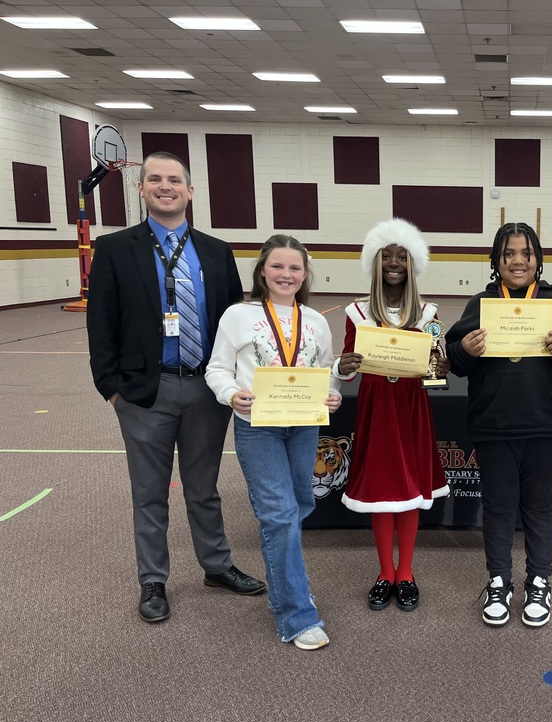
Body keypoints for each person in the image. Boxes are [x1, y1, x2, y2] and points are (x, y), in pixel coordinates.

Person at [87, 151, 266, 624]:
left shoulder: (215, 251)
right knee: (149, 492)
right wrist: (112, 390)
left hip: (206, 390)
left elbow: (234, 324)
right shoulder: (114, 249)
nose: (165, 186)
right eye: (155, 180)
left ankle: (217, 566)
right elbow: (100, 325)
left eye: (174, 180)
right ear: (142, 190)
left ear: (190, 191)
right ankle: (153, 580)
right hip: (145, 393)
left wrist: (232, 384)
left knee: (204, 489)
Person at [205, 235, 342, 650]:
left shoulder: (315, 321)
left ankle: (289, 583)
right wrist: (231, 394)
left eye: (294, 268)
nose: (286, 275)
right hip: (257, 425)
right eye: (278, 266)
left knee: (300, 504)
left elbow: (324, 373)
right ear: (262, 270)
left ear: (305, 274)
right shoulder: (238, 315)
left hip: (303, 425)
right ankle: (297, 614)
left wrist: (332, 393)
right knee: (279, 515)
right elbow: (217, 370)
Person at [445, 222, 552, 628]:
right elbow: (453, 359)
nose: (518, 261)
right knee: (500, 506)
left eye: (526, 253)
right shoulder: (481, 303)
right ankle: (499, 580)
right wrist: (465, 350)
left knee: (540, 505)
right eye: (508, 254)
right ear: (496, 261)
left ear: (538, 259)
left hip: (544, 424)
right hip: (494, 424)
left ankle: (539, 580)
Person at [335, 219, 450, 612]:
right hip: (377, 407)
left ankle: (407, 572)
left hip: (410, 409)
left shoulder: (429, 312)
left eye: (402, 256)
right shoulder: (357, 311)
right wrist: (345, 363)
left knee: (409, 493)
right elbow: (349, 367)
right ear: (376, 261)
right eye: (388, 256)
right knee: (383, 494)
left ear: (413, 263)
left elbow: (436, 373)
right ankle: (385, 571)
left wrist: (440, 366)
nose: (395, 263)